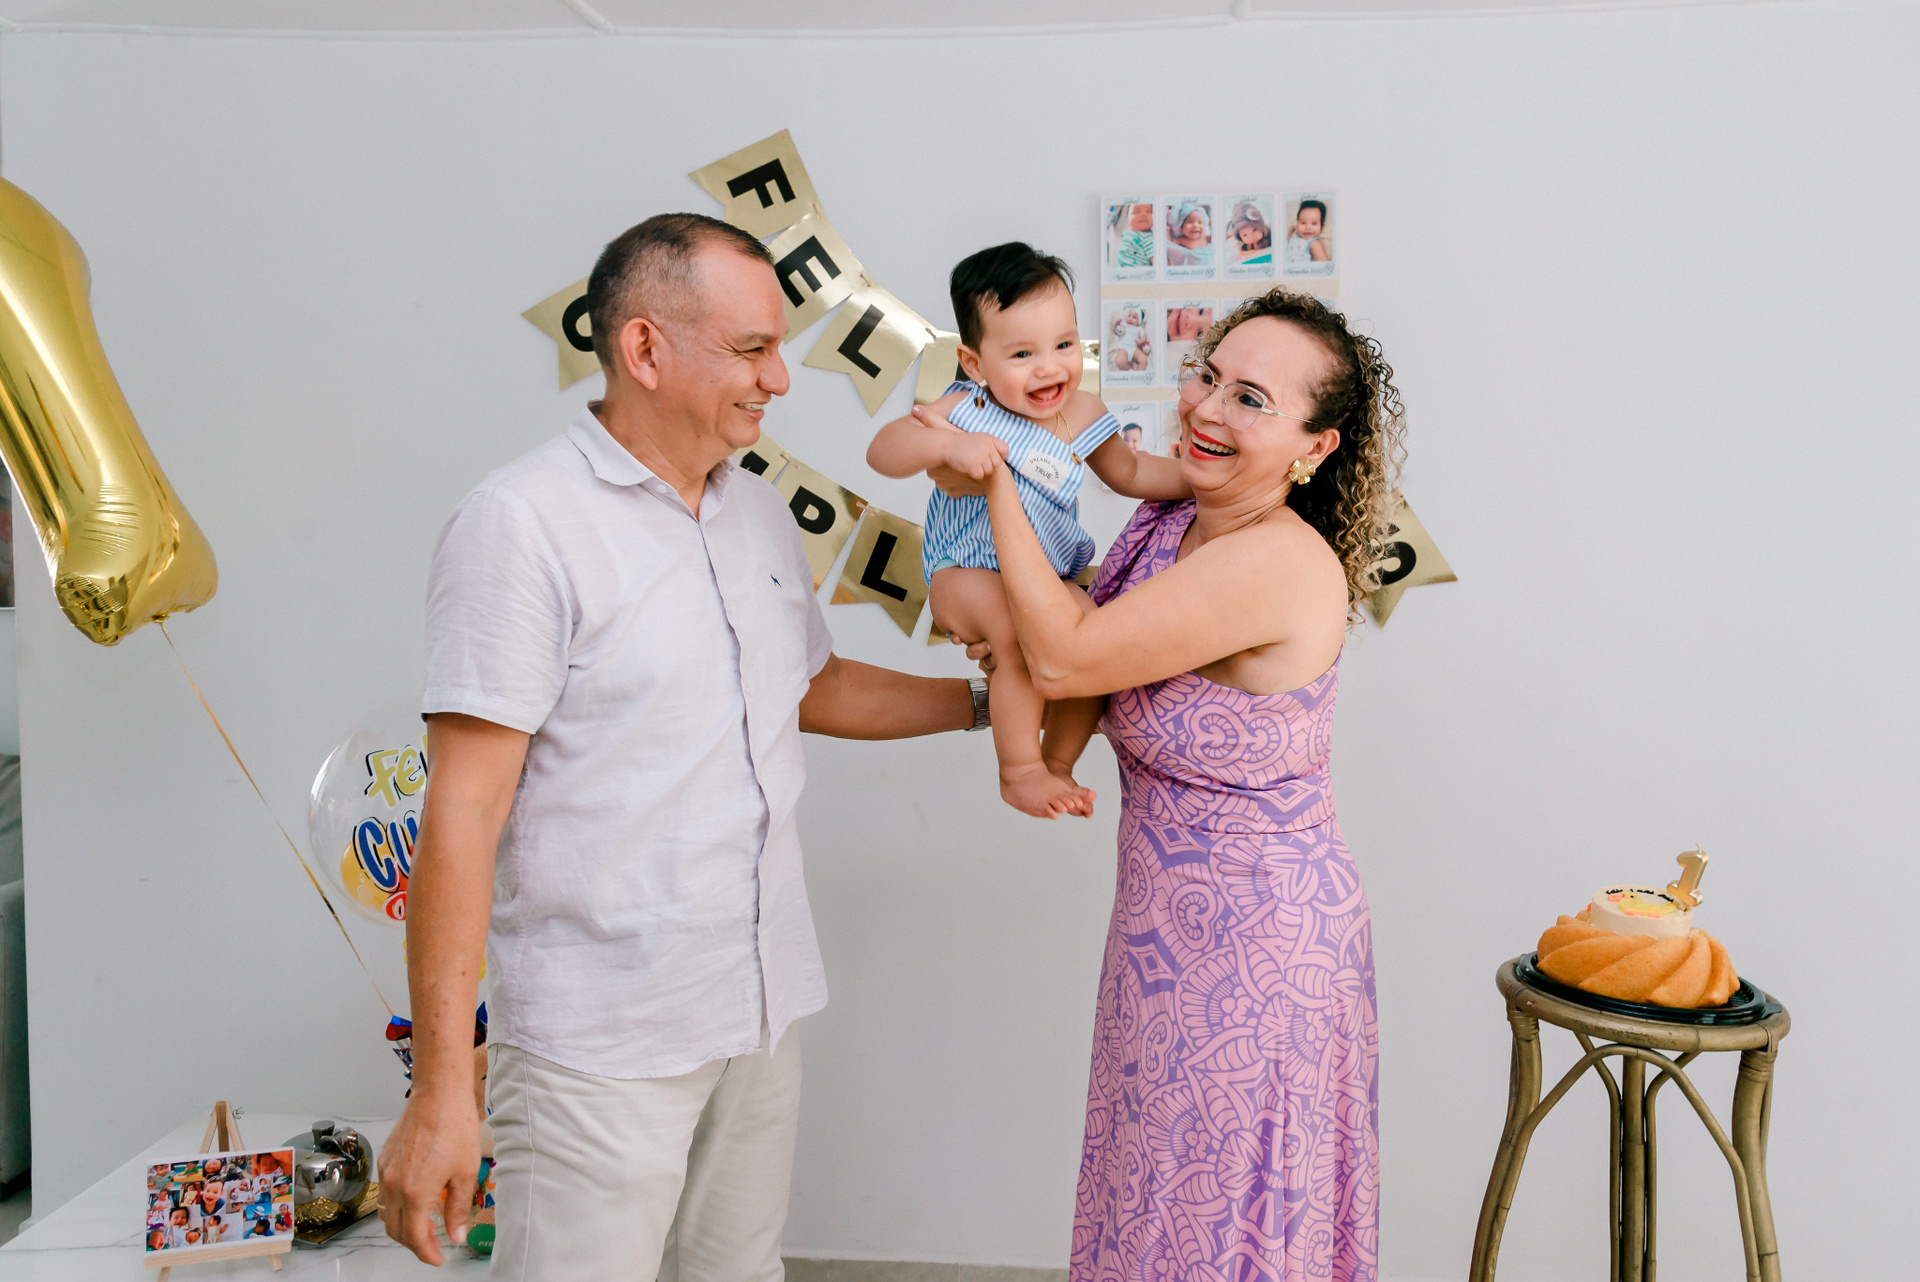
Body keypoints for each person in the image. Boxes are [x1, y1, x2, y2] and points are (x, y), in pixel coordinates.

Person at [379, 212, 994, 1281]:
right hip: (600, 1041)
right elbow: (462, 812)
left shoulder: (756, 510)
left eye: (780, 348)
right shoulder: (521, 522)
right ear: (645, 348)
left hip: (757, 1007)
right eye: (751, 349)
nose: (779, 380)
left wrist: (997, 706)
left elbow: (814, 686)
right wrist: (441, 1089)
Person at [931, 288, 1401, 1279]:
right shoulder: (1170, 520)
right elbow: (1077, 662)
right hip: (1162, 941)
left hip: (1262, 954)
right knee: (1155, 1202)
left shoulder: (1277, 561)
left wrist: (999, 479)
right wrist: (1014, 649)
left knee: (1218, 1226)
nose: (1207, 408)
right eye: (1208, 376)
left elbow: (1068, 657)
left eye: (1252, 400)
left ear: (1315, 448)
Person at [867, 243, 1189, 818]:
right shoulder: (965, 407)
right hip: (967, 571)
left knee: (1094, 640)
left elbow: (1132, 473)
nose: (1049, 367)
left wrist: (1204, 478)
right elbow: (883, 451)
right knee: (1016, 634)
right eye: (1021, 354)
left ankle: (1057, 762)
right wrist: (946, 446)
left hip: (1046, 577)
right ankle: (1019, 770)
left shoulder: (1082, 413)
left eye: (1064, 345)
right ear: (974, 364)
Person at [1164, 200, 1213, 269]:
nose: (1196, 225)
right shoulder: (1182, 240)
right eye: (1190, 222)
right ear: (1181, 228)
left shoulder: (1204, 237)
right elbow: (1170, 245)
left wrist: (1212, 229)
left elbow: (1214, 240)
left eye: (1200, 222)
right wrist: (1167, 230)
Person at [1286, 199, 1333, 268]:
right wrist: (1293, 231)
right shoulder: (1295, 233)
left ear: (1321, 226)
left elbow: (1323, 263)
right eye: (1303, 223)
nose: (1308, 227)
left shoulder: (1313, 243)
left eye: (1314, 224)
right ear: (1297, 223)